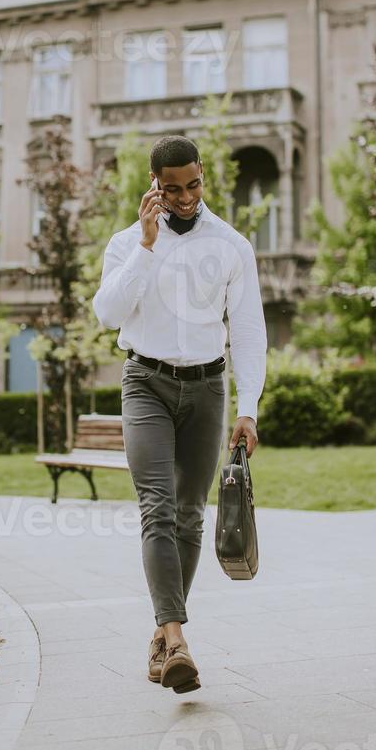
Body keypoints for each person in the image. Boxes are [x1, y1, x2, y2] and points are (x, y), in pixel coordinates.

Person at [92, 134, 267, 694]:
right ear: (154, 187)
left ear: (203, 177)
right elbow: (107, 314)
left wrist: (249, 408)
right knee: (158, 508)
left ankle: (161, 636)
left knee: (190, 514)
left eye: (193, 185)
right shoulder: (126, 243)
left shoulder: (232, 245)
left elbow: (247, 329)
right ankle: (179, 641)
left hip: (208, 387)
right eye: (172, 189)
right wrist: (146, 246)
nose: (185, 197)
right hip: (145, 383)